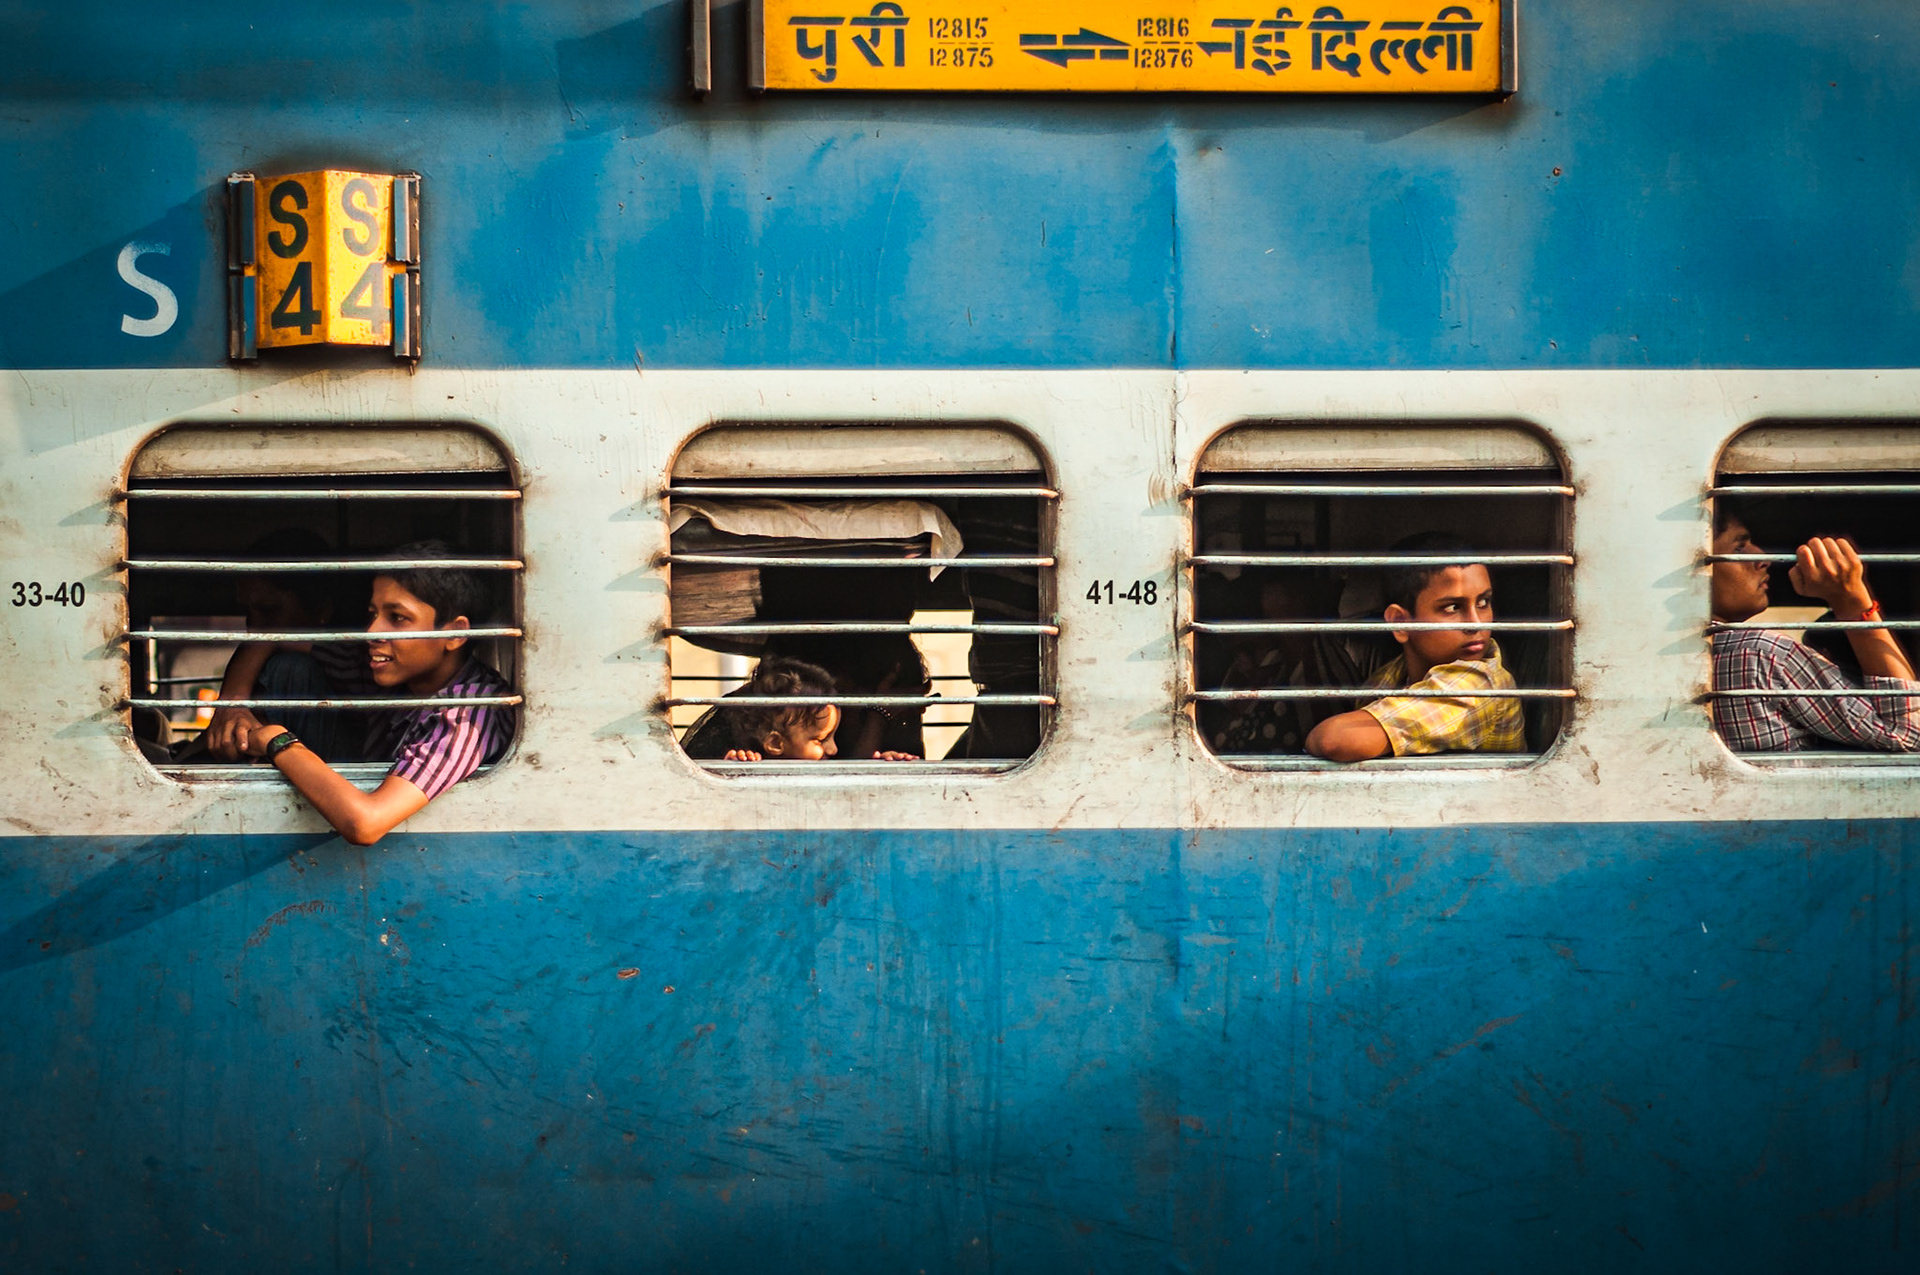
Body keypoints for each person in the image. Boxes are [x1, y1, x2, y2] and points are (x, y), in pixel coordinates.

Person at [232, 542, 516, 844]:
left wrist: (278, 740)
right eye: (373, 614)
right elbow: (271, 639)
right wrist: (232, 707)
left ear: (455, 634)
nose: (371, 632)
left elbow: (366, 823)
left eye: (397, 618)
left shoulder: (468, 713)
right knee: (291, 668)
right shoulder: (384, 672)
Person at [1708, 505, 1920, 751]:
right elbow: (1911, 733)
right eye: (1740, 548)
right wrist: (1851, 600)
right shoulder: (1762, 655)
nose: (1763, 558)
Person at [1305, 533, 1526, 762]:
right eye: (1452, 607)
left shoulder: (1480, 686)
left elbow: (1333, 740)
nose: (1475, 623)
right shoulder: (1390, 676)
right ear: (1400, 623)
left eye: (1483, 603)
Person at [203, 529, 365, 762]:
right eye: (247, 613)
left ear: (322, 609)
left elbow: (267, 639)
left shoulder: (349, 656)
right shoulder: (258, 663)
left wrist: (232, 702)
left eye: (268, 610)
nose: (254, 627)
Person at [703, 657, 918, 763]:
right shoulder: (751, 765)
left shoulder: (821, 771)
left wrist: (881, 769)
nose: (834, 750)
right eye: (821, 739)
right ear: (776, 743)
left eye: (833, 736)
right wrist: (734, 770)